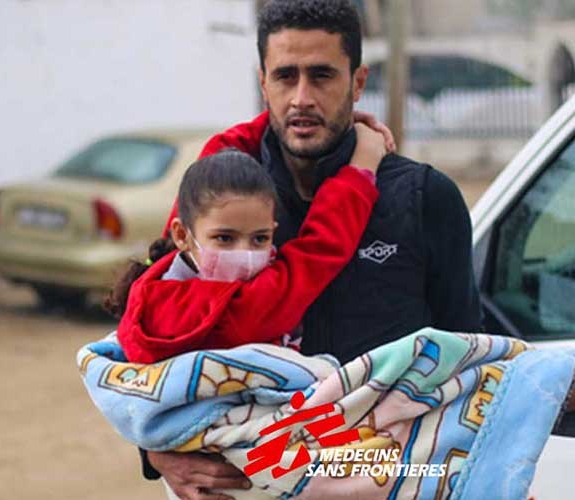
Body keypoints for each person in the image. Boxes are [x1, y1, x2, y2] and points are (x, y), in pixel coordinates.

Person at [143, 1, 483, 498]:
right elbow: (153, 335)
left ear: (358, 82)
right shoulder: (221, 199)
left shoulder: (424, 199)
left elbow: (466, 362)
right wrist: (157, 453)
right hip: (246, 483)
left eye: (322, 76)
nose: (302, 97)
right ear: (264, 82)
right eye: (286, 76)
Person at [105, 124, 384, 364]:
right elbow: (322, 244)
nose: (245, 253)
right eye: (225, 239)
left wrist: (281, 120)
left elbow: (216, 156)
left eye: (260, 238)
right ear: (181, 235)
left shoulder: (155, 285)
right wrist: (363, 164)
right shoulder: (247, 308)